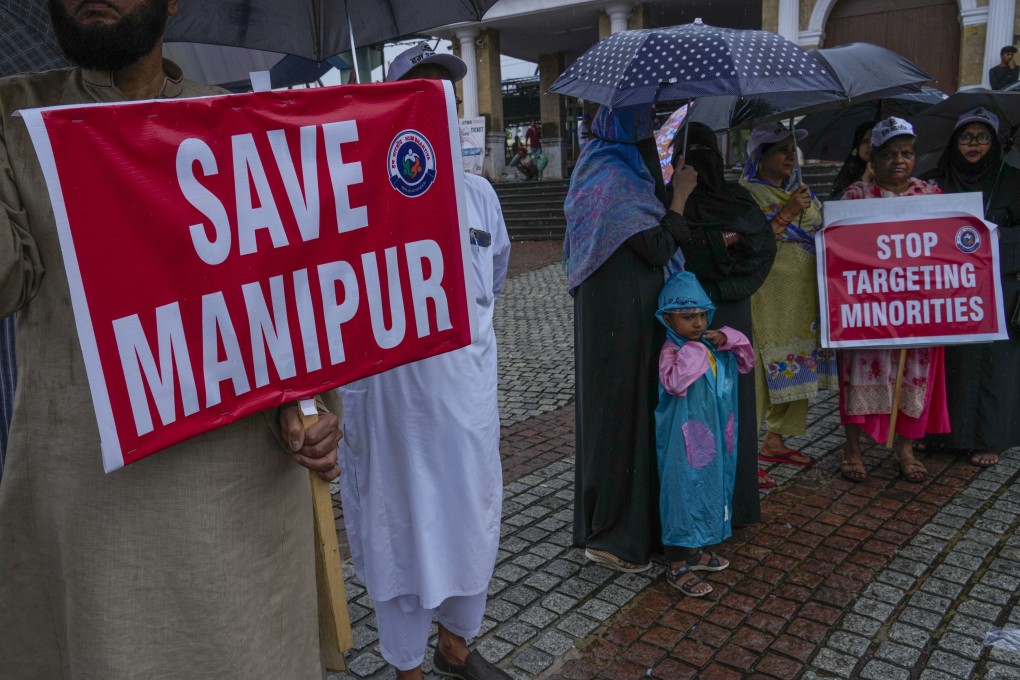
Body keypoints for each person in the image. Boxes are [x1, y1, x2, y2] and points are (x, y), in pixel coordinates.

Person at [0, 1, 342, 678]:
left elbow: (284, 310)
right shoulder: (15, 122)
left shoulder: (240, 126)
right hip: (88, 504)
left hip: (236, 503)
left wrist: (306, 411)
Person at [338, 42, 513, 680]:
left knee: (471, 516)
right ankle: (407, 665)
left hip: (464, 400)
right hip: (391, 406)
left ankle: (456, 645)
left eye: (448, 91)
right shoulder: (357, 195)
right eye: (421, 90)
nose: (438, 101)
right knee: (397, 527)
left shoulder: (479, 196)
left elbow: (491, 277)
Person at [565, 103, 701, 572]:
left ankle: (618, 524)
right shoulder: (615, 181)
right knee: (623, 419)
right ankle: (615, 536)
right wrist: (678, 196)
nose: (648, 134)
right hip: (622, 321)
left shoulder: (599, 167)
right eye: (641, 124)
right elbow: (660, 245)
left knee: (618, 417)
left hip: (619, 316)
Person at [838, 117, 949, 483]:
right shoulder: (855, 197)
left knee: (913, 377)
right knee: (858, 376)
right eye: (889, 154)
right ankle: (852, 450)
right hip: (867, 311)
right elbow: (838, 252)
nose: (899, 160)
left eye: (906, 153)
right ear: (873, 158)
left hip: (916, 309)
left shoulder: (930, 196)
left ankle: (905, 449)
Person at [675, 122, 777, 510]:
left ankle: (737, 494)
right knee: (698, 401)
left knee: (733, 397)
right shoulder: (675, 200)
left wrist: (715, 247)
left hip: (728, 312)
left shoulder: (736, 196)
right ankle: (701, 492)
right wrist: (724, 241)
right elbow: (679, 246)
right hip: (692, 314)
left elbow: (761, 244)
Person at [922, 107, 1020, 467]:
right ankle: (934, 434)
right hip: (946, 290)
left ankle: (988, 438)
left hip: (996, 289)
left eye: (982, 137)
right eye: (966, 137)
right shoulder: (935, 179)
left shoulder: (1012, 181)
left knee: (993, 365)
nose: (973, 144)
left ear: (995, 143)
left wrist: (989, 243)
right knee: (944, 361)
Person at [740, 123, 837, 470]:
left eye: (791, 148)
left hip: (802, 297)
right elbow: (750, 243)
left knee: (798, 363)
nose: (788, 155)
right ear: (760, 156)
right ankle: (744, 455)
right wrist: (789, 212)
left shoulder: (802, 191)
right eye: (779, 149)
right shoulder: (747, 195)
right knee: (760, 370)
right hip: (767, 297)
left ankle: (775, 440)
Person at [655, 271, 754, 597]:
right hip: (684, 444)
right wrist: (697, 350)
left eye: (701, 315)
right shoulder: (673, 352)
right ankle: (676, 562)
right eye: (687, 317)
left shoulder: (712, 345)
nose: (697, 323)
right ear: (668, 319)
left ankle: (695, 551)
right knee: (682, 492)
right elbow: (674, 382)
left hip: (715, 439)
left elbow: (745, 361)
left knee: (710, 489)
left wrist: (727, 338)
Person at [830, 121, 875, 200]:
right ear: (857, 146)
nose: (870, 145)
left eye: (874, 140)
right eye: (865, 141)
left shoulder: (892, 171)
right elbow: (837, 203)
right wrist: (864, 180)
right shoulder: (849, 173)